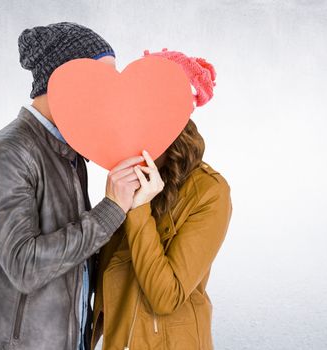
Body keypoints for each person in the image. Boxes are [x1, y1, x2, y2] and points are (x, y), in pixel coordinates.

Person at [0, 22, 143, 350]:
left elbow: (76, 252)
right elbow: (25, 266)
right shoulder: (6, 154)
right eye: (102, 81)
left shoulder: (70, 153)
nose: (110, 95)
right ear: (64, 81)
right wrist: (111, 209)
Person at [91, 49, 233, 350]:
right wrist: (112, 206)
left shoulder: (210, 192)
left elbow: (165, 296)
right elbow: (101, 274)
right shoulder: (129, 172)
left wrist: (140, 209)